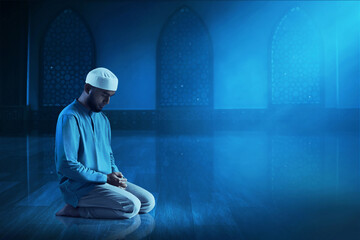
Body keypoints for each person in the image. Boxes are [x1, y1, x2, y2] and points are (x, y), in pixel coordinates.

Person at [55, 67, 155, 219]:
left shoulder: (103, 119)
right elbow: (67, 165)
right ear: (88, 88)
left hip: (104, 181)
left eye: (111, 96)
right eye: (104, 95)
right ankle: (75, 210)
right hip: (80, 187)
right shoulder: (69, 117)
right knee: (131, 206)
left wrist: (114, 173)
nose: (107, 102)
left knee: (148, 202)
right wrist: (106, 178)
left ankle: (103, 201)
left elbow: (108, 154)